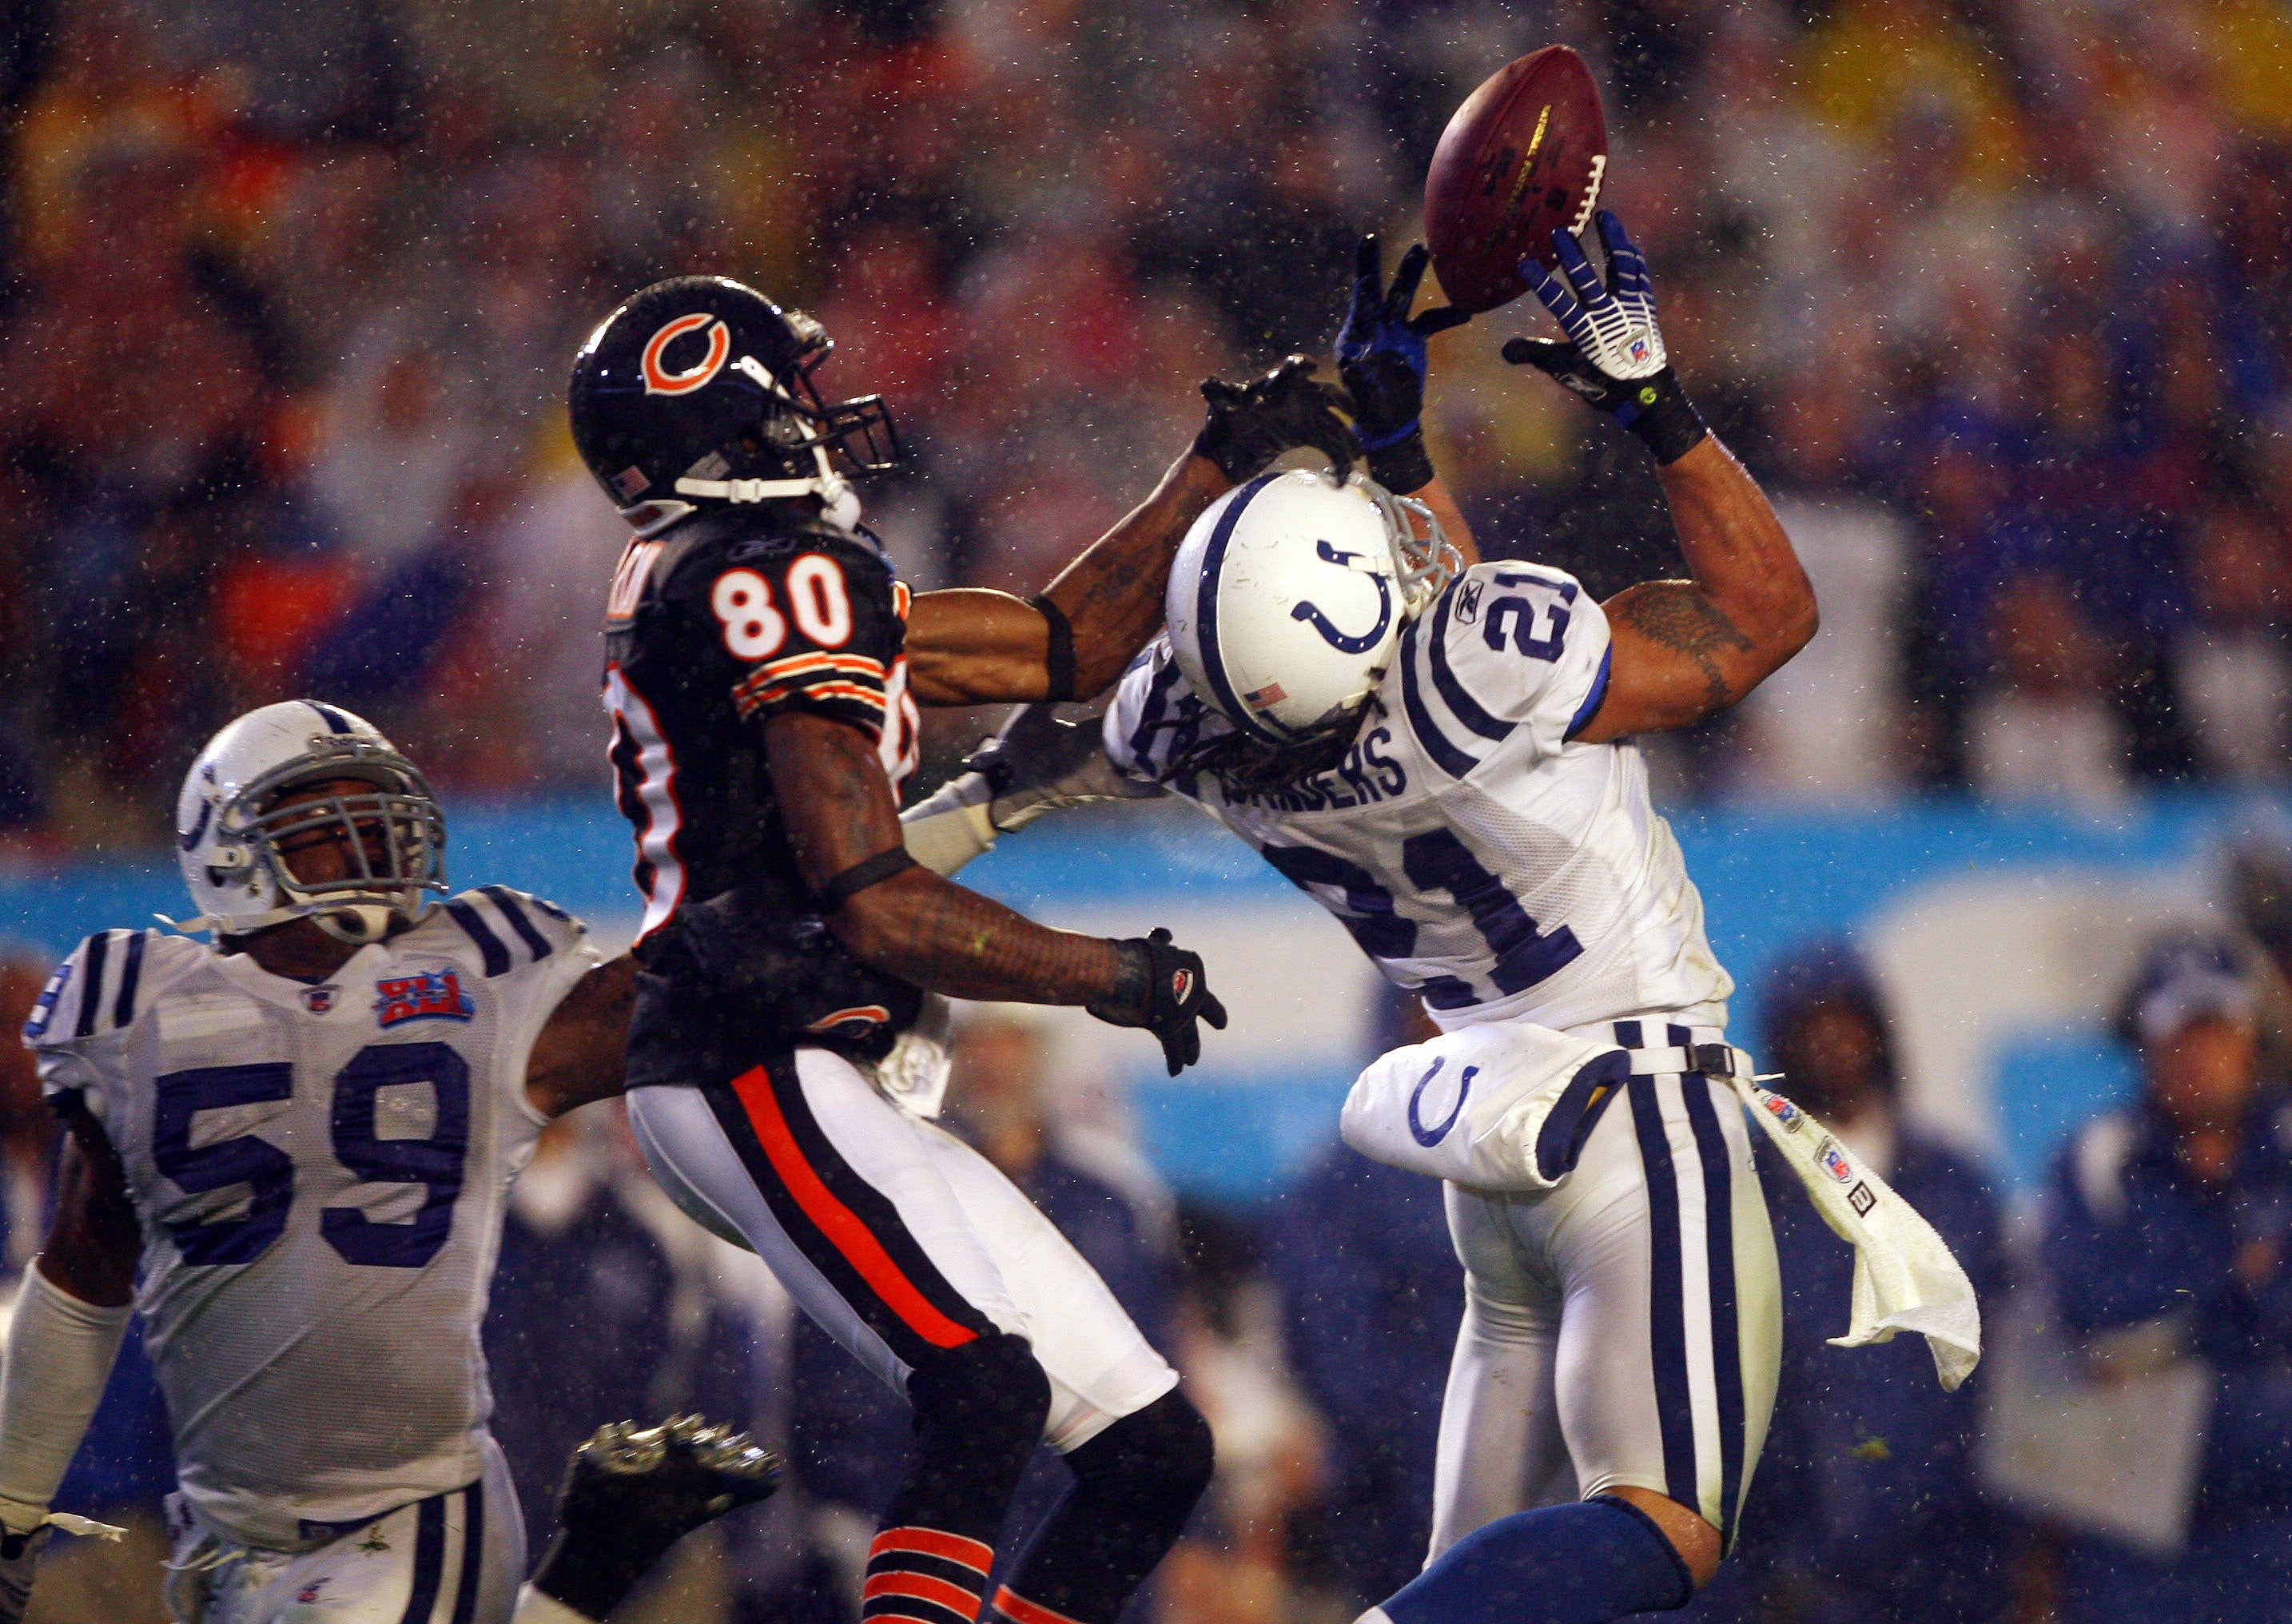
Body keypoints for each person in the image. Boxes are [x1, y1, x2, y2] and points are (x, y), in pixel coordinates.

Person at [966, 219, 1821, 1622]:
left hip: (1489, 1113)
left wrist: (1398, 464)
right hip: (1626, 1089)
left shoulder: (1195, 736)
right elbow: (1765, 618)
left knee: (1463, 1578)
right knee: (1665, 1525)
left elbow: (1423, 678)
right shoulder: (1485, 667)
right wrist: (1649, 396)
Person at [564, 277, 1355, 1624]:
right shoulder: (768, 573)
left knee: (1149, 1455)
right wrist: (1110, 972)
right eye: (791, 388)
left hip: (810, 1059)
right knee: (979, 1385)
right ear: (730, 421)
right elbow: (872, 897)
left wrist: (1216, 462)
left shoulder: (754, 577)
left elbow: (1065, 641)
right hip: (744, 1055)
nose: (822, 413)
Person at [0, 701, 775, 1624]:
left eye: (379, 816)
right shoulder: (135, 1008)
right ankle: (579, 1584)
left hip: (410, 1500)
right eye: (326, 822)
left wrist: (869, 851)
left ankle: (581, 1582)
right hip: (222, 1524)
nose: (370, 842)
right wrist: (14, 1500)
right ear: (230, 848)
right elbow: (86, 1267)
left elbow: (693, 980)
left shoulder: (482, 977)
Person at [1690, 941, 2009, 1624]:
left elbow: (2008, 1369)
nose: (1833, 1044)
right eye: (1811, 1027)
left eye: (1848, 1022)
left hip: (1951, 1560)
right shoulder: (1739, 1195)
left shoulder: (1954, 1187)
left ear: (1882, 1034)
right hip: (1789, 1565)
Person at [2043, 930, 2292, 1624]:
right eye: (2179, 1036)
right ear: (2145, 1047)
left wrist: (2181, 1326)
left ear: (2251, 1038)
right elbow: (2092, 1314)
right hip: (2139, 1531)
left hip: (2280, 1527)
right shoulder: (2099, 1157)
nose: (2199, 1057)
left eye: (2217, 1032)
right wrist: (2237, 1286)